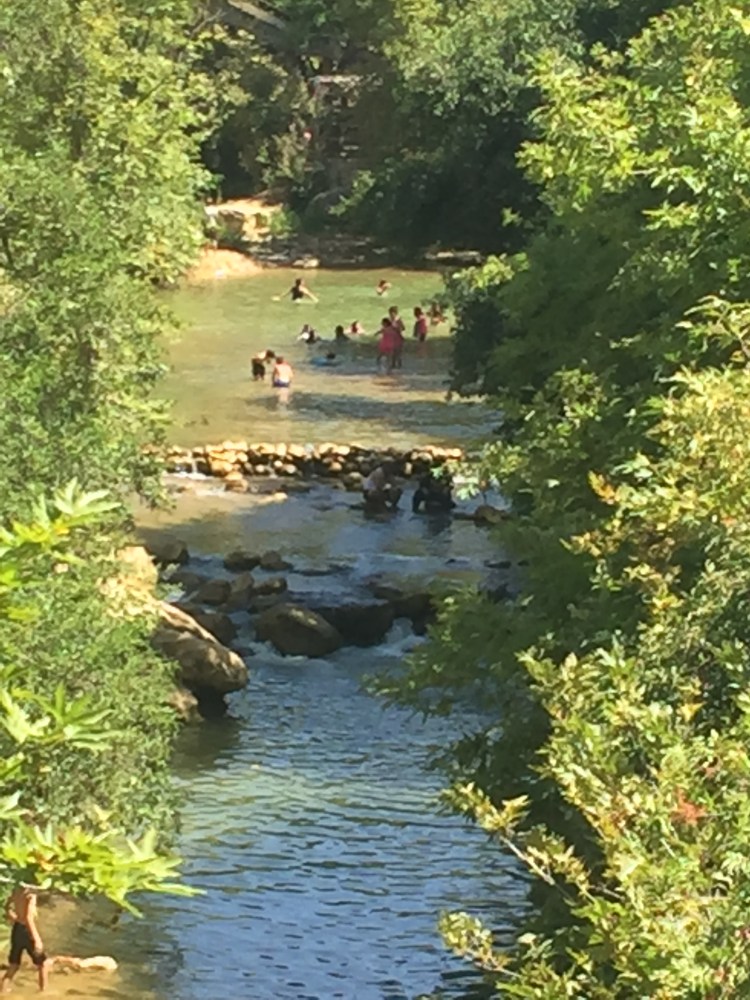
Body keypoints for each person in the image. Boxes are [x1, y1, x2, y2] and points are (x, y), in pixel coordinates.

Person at [2, 885, 49, 993]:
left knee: (14, 964)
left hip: (17, 928)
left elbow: (7, 906)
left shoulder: (17, 890)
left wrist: (15, 917)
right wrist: (37, 939)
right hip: (27, 930)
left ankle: (2, 991)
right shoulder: (30, 895)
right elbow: (29, 918)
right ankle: (43, 993)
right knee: (43, 963)